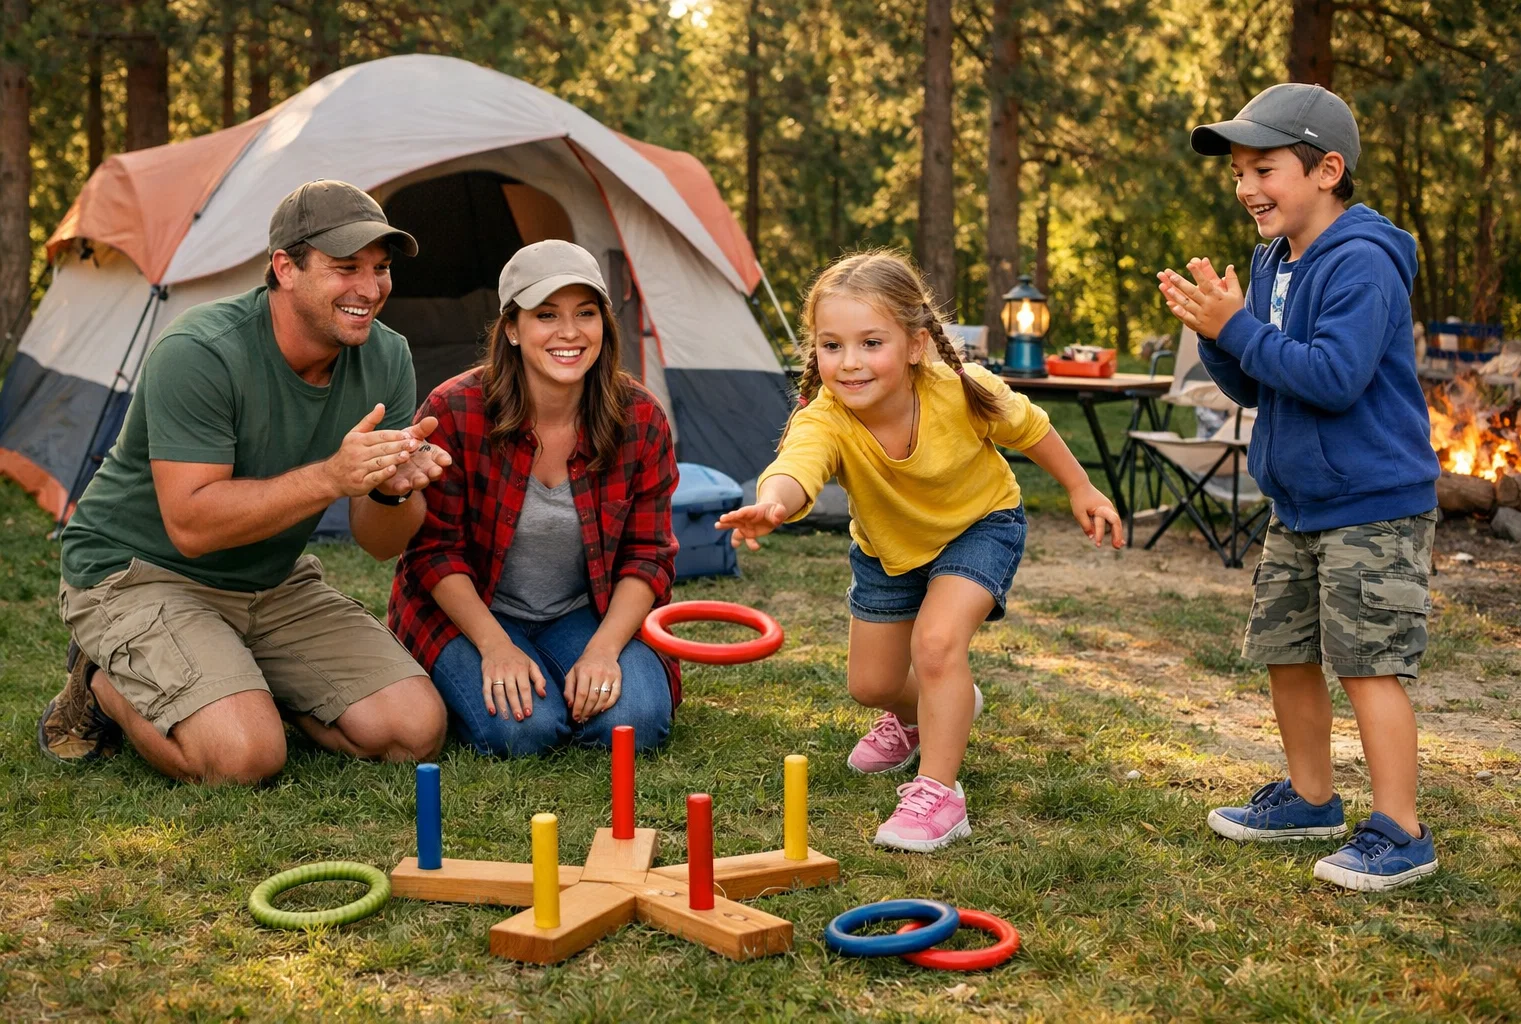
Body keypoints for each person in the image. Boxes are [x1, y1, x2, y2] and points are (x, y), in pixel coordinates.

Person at [39, 179, 451, 784]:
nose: (370, 289)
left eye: (381, 268)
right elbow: (191, 526)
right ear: (285, 267)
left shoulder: (386, 358)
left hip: (268, 583)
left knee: (414, 731)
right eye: (345, 268)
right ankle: (101, 686)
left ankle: (235, 679)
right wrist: (332, 476)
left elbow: (381, 542)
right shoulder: (200, 351)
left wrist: (391, 489)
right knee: (244, 758)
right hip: (139, 575)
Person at [717, 249, 1123, 853]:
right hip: (888, 552)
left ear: (914, 343)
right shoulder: (826, 417)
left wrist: (1080, 485)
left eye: (870, 343)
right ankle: (929, 710)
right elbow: (795, 467)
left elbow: (1031, 427)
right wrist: (773, 504)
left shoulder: (961, 389)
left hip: (980, 525)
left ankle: (940, 795)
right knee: (872, 684)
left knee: (936, 644)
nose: (850, 364)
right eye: (832, 346)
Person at [1157, 83, 1441, 890]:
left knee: (1367, 664)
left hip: (1373, 502)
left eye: (1265, 168)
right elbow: (1262, 387)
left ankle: (1401, 831)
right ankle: (1312, 799)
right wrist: (1217, 339)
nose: (1247, 187)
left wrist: (1237, 327)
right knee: (1286, 651)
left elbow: (1335, 379)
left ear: (1326, 169)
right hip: (1301, 502)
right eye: (1239, 172)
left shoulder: (1362, 262)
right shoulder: (1271, 261)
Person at [389, 240, 680, 758]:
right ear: (512, 329)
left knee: (631, 723)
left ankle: (558, 666)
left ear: (603, 327)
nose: (569, 332)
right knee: (524, 732)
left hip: (586, 610)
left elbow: (648, 554)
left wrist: (603, 651)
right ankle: (515, 670)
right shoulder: (454, 409)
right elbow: (433, 551)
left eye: (585, 313)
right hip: (475, 610)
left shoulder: (641, 416)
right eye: (546, 314)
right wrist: (496, 646)